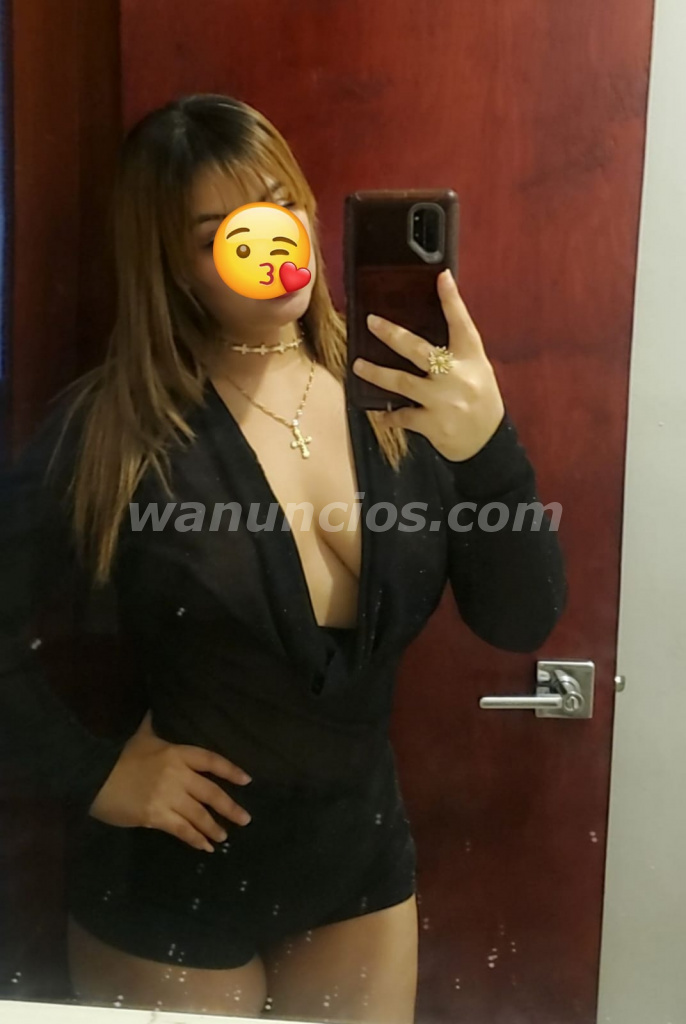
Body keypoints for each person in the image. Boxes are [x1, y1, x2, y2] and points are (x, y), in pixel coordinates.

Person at [0, 94, 567, 1023]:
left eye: (278, 204)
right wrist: (91, 773)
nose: (269, 244)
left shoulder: (407, 398)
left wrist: (488, 445)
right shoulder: (112, 432)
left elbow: (521, 620)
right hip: (172, 886)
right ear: (173, 264)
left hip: (357, 867)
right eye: (219, 233)